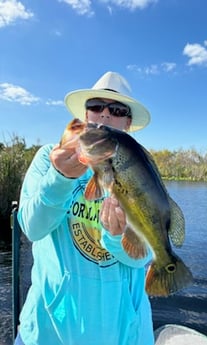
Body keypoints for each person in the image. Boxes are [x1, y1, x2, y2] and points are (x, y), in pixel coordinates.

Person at [15, 71, 155, 345]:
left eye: (116, 110)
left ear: (127, 122)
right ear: (85, 115)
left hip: (121, 334)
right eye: (95, 107)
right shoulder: (49, 157)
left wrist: (118, 237)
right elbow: (32, 228)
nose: (104, 115)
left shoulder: (140, 171)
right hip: (48, 332)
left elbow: (143, 257)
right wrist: (60, 178)